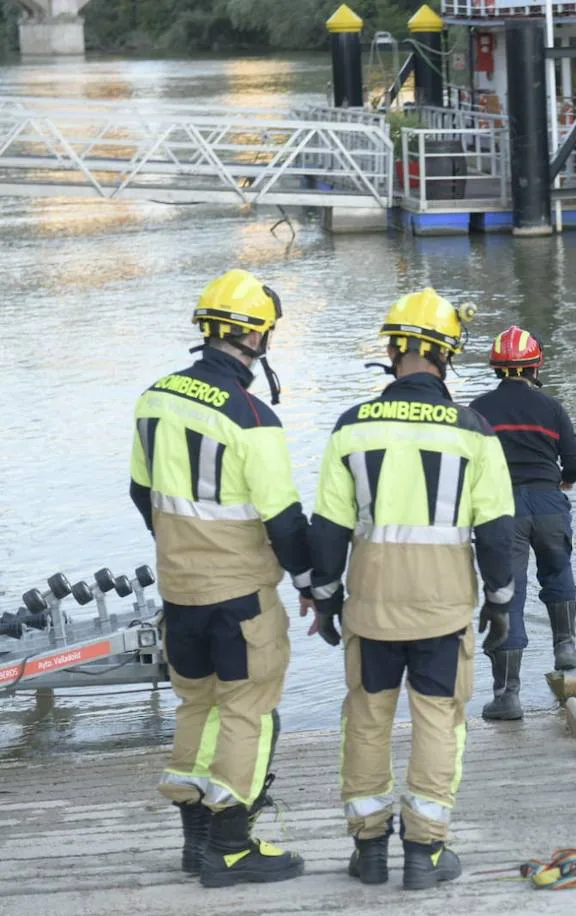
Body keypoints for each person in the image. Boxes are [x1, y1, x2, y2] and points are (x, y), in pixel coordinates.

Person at [308, 289, 515, 890]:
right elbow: (497, 534)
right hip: (443, 611)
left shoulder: (352, 427)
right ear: (447, 355)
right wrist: (500, 605)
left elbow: (329, 529)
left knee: (367, 720)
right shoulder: (474, 432)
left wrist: (326, 600)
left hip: (370, 608)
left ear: (393, 352)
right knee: (438, 721)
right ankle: (425, 855)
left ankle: (368, 850)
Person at [130, 269, 312, 887]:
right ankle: (232, 847)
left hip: (179, 591)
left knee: (196, 706)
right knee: (248, 713)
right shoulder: (251, 417)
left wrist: (182, 548)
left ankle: (196, 841)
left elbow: (139, 490)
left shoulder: (154, 397)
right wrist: (315, 582)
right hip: (239, 597)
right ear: (257, 338)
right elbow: (285, 520)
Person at [468, 327, 576, 720]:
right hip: (549, 502)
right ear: (535, 365)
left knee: (508, 594)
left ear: (496, 367)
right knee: (558, 572)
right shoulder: (551, 408)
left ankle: (507, 696)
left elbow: (468, 467)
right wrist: (562, 479)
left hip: (503, 510)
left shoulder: (478, 410)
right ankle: (566, 656)